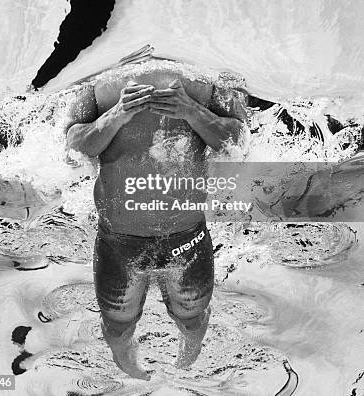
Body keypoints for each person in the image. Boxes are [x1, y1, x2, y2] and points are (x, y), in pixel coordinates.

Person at [64, 47, 248, 380]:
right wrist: (115, 115)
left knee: (192, 317)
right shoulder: (96, 81)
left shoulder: (208, 79)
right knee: (118, 324)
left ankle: (184, 365)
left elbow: (238, 141)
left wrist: (191, 110)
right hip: (118, 242)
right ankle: (129, 367)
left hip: (187, 237)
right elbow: (73, 149)